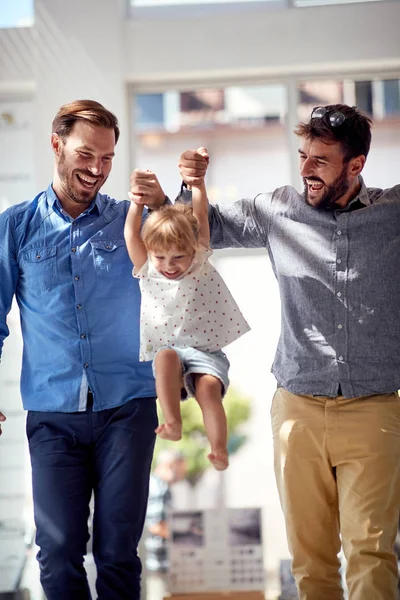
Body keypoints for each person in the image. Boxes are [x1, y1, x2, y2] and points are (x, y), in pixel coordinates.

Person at [138, 104, 400, 600]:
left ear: (356, 165)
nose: (305, 169)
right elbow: (199, 230)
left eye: (320, 160)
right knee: (310, 560)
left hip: (376, 409)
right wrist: (189, 185)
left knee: (372, 552)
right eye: (302, 155)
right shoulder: (278, 208)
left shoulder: (392, 215)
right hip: (298, 408)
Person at [0, 99, 167, 600]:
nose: (96, 169)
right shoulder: (16, 226)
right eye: (85, 154)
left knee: (118, 551)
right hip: (53, 414)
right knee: (57, 550)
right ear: (57, 143)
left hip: (127, 408)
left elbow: (185, 249)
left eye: (107, 158)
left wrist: (162, 202)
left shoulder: (128, 220)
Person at [124, 157, 250, 471]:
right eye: (161, 256)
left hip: (205, 351)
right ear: (151, 252)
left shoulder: (198, 260)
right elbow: (131, 235)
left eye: (178, 256)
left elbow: (202, 219)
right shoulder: (147, 269)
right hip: (171, 349)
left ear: (192, 250)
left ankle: (218, 449)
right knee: (164, 356)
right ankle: (173, 421)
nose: (169, 265)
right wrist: (136, 204)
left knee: (208, 388)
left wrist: (198, 186)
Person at [144, 449, 187, 600]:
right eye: (182, 467)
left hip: (161, 563)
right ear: (171, 465)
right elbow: (156, 525)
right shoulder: (159, 487)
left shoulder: (159, 485)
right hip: (159, 563)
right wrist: (185, 539)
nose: (183, 472)